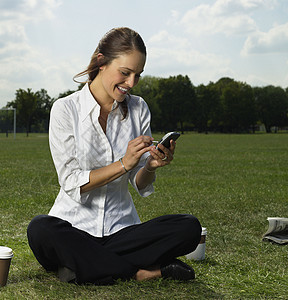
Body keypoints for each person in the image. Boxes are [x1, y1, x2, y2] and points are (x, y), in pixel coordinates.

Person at [27, 27, 201, 285]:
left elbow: (138, 181)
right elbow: (72, 182)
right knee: (41, 229)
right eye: (125, 72)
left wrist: (151, 166)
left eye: (137, 75)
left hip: (122, 230)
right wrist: (123, 164)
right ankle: (141, 272)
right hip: (73, 228)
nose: (131, 83)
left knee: (189, 227)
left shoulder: (139, 108)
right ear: (101, 62)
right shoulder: (65, 110)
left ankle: (80, 266)